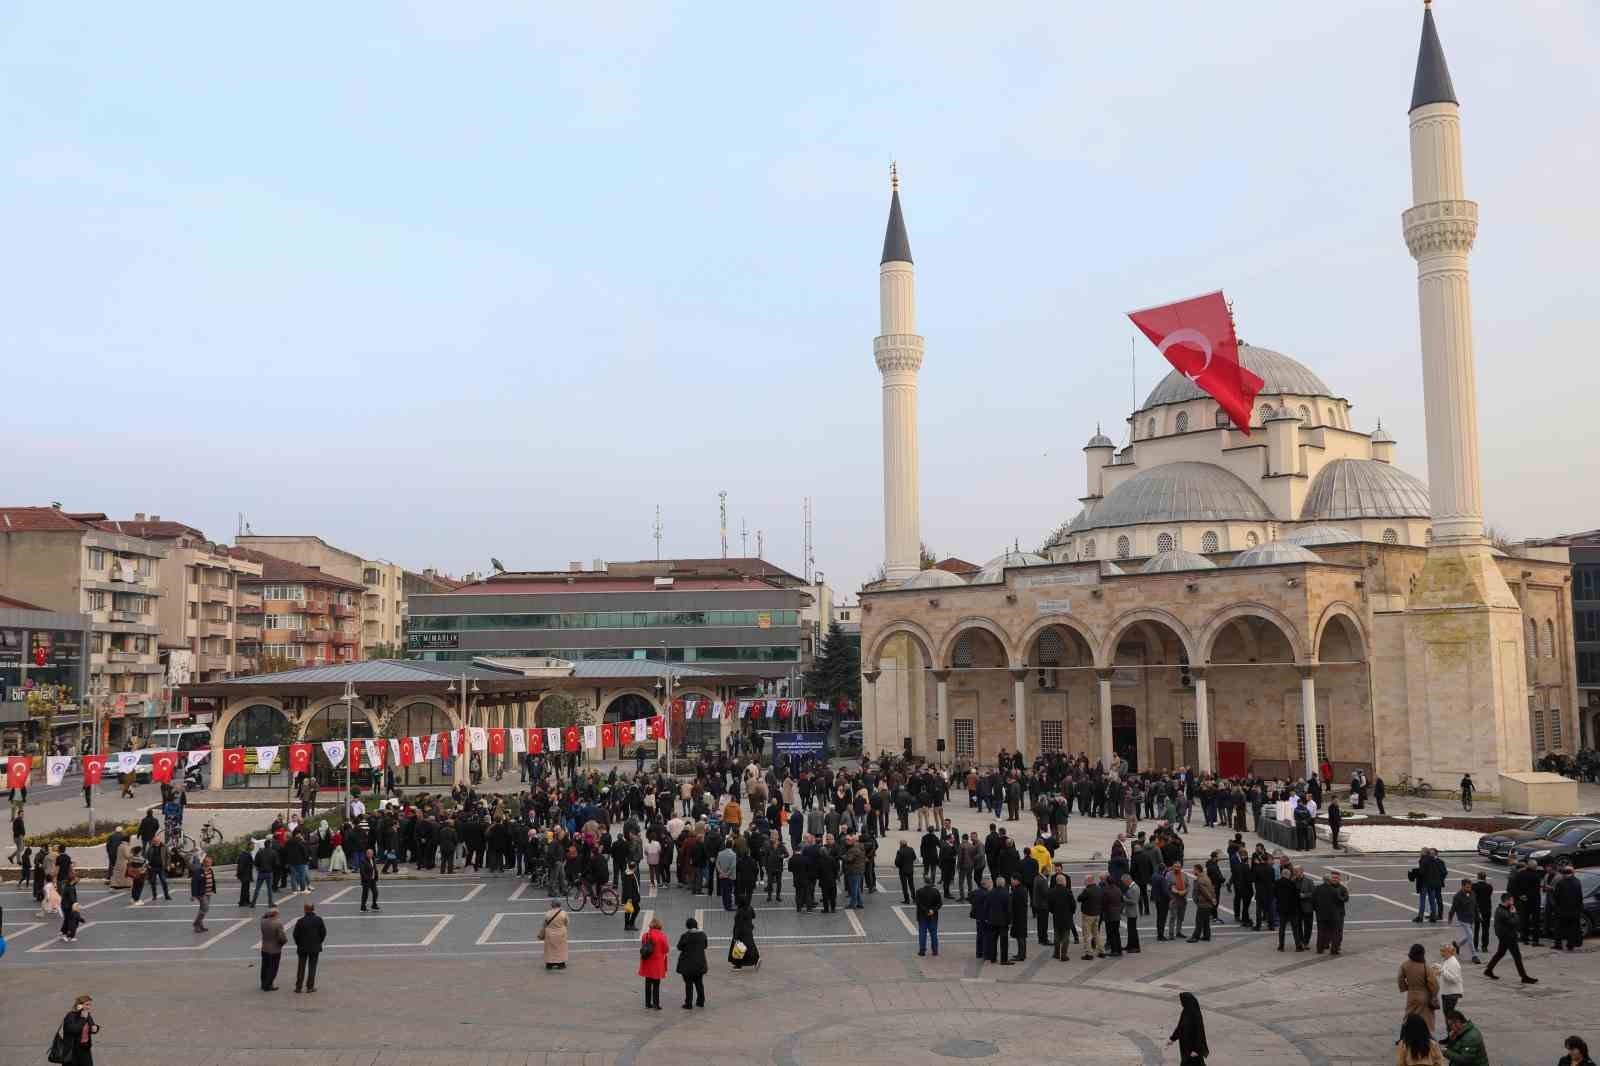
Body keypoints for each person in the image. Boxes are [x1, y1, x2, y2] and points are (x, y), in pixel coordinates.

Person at [1482, 892, 1536, 984]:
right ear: (1507, 901)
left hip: (1505, 936)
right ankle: (1524, 977)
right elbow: (1515, 922)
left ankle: (1488, 970)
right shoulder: (1503, 912)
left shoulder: (1502, 909)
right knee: (1517, 956)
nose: (1513, 902)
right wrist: (1514, 913)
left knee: (1500, 953)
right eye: (1512, 900)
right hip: (1508, 937)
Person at [293, 901, 327, 993]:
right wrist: (318, 942)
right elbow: (323, 933)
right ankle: (310, 987)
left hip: (302, 948)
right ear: (313, 909)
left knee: (301, 967)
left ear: (305, 910)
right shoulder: (318, 920)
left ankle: (298, 987)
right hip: (314, 947)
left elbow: (295, 935)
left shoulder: (300, 921)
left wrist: (299, 944)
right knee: (312, 967)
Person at [637, 916, 669, 1009]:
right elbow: (666, 949)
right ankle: (656, 1004)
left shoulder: (645, 935)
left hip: (647, 962)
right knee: (656, 984)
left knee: (648, 983)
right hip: (657, 963)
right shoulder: (662, 936)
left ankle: (647, 1003)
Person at [677, 916, 708, 1009]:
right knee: (699, 983)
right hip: (700, 963)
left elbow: (679, 947)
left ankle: (688, 1003)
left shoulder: (685, 936)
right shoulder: (702, 935)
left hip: (688, 964)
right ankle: (701, 1001)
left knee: (688, 984)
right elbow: (705, 946)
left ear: (687, 926)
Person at [1168, 991, 1208, 1064]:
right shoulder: (1185, 1011)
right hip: (1185, 1047)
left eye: (1182, 1001)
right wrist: (1172, 1039)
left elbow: (1199, 1033)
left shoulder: (1196, 1014)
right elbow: (1180, 1027)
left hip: (1193, 1048)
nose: (1181, 1003)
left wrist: (1196, 1050)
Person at [59, 994, 99, 1066]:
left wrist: (95, 1028)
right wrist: (83, 1019)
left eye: (90, 1005)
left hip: (85, 1049)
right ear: (79, 1005)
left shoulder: (87, 1015)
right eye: (87, 1004)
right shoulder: (70, 1016)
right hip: (72, 1051)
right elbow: (74, 1030)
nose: (89, 1007)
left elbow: (91, 1026)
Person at [1434, 942, 1463, 1032]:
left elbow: (1454, 979)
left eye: (1443, 951)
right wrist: (1440, 970)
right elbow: (1446, 974)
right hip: (1447, 992)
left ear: (1450, 952)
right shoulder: (1446, 960)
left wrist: (1442, 970)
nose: (1441, 953)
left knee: (1449, 1016)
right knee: (1447, 1016)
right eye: (1441, 951)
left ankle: (1452, 1035)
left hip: (1452, 993)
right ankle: (1449, 1036)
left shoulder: (1454, 962)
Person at [259, 907, 287, 991]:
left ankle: (263, 983)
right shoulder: (277, 923)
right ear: (275, 914)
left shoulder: (263, 922)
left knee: (265, 966)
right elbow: (281, 937)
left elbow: (263, 917)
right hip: (275, 949)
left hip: (265, 948)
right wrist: (283, 943)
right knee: (273, 967)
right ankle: (269, 984)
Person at [914, 874, 943, 956]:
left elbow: (918, 904)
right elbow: (940, 903)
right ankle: (935, 950)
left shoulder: (919, 891)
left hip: (922, 916)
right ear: (931, 882)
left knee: (922, 933)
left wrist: (926, 910)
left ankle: (922, 951)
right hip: (933, 916)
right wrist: (932, 910)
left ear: (924, 882)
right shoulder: (935, 891)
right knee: (933, 934)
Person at [730, 895, 760, 970]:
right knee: (751, 946)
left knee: (739, 947)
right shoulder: (750, 908)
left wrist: (735, 936)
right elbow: (754, 916)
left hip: (741, 932)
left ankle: (738, 964)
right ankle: (756, 960)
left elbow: (738, 925)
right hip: (749, 930)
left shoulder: (739, 911)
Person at [539, 902, 569, 971]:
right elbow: (567, 923)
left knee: (550, 950)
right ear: (559, 905)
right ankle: (561, 963)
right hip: (561, 933)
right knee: (561, 949)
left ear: (552, 905)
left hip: (550, 933)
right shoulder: (563, 913)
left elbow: (544, 923)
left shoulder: (548, 913)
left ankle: (549, 963)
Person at [190, 855, 215, 933]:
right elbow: (194, 883)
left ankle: (200, 925)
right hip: (201, 893)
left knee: (203, 909)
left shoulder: (210, 870)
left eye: (210, 862)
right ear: (204, 863)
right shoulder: (198, 871)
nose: (209, 863)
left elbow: (212, 880)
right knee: (205, 908)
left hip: (208, 892)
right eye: (208, 862)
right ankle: (196, 923)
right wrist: (193, 895)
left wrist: (213, 889)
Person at [359, 847, 380, 912]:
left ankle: (374, 905)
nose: (371, 855)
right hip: (366, 880)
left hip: (372, 879)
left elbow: (374, 868)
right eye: (370, 854)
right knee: (365, 894)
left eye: (372, 853)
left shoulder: (373, 859)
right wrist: (366, 878)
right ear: (367, 854)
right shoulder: (363, 861)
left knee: (375, 892)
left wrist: (376, 876)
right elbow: (362, 871)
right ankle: (363, 907)